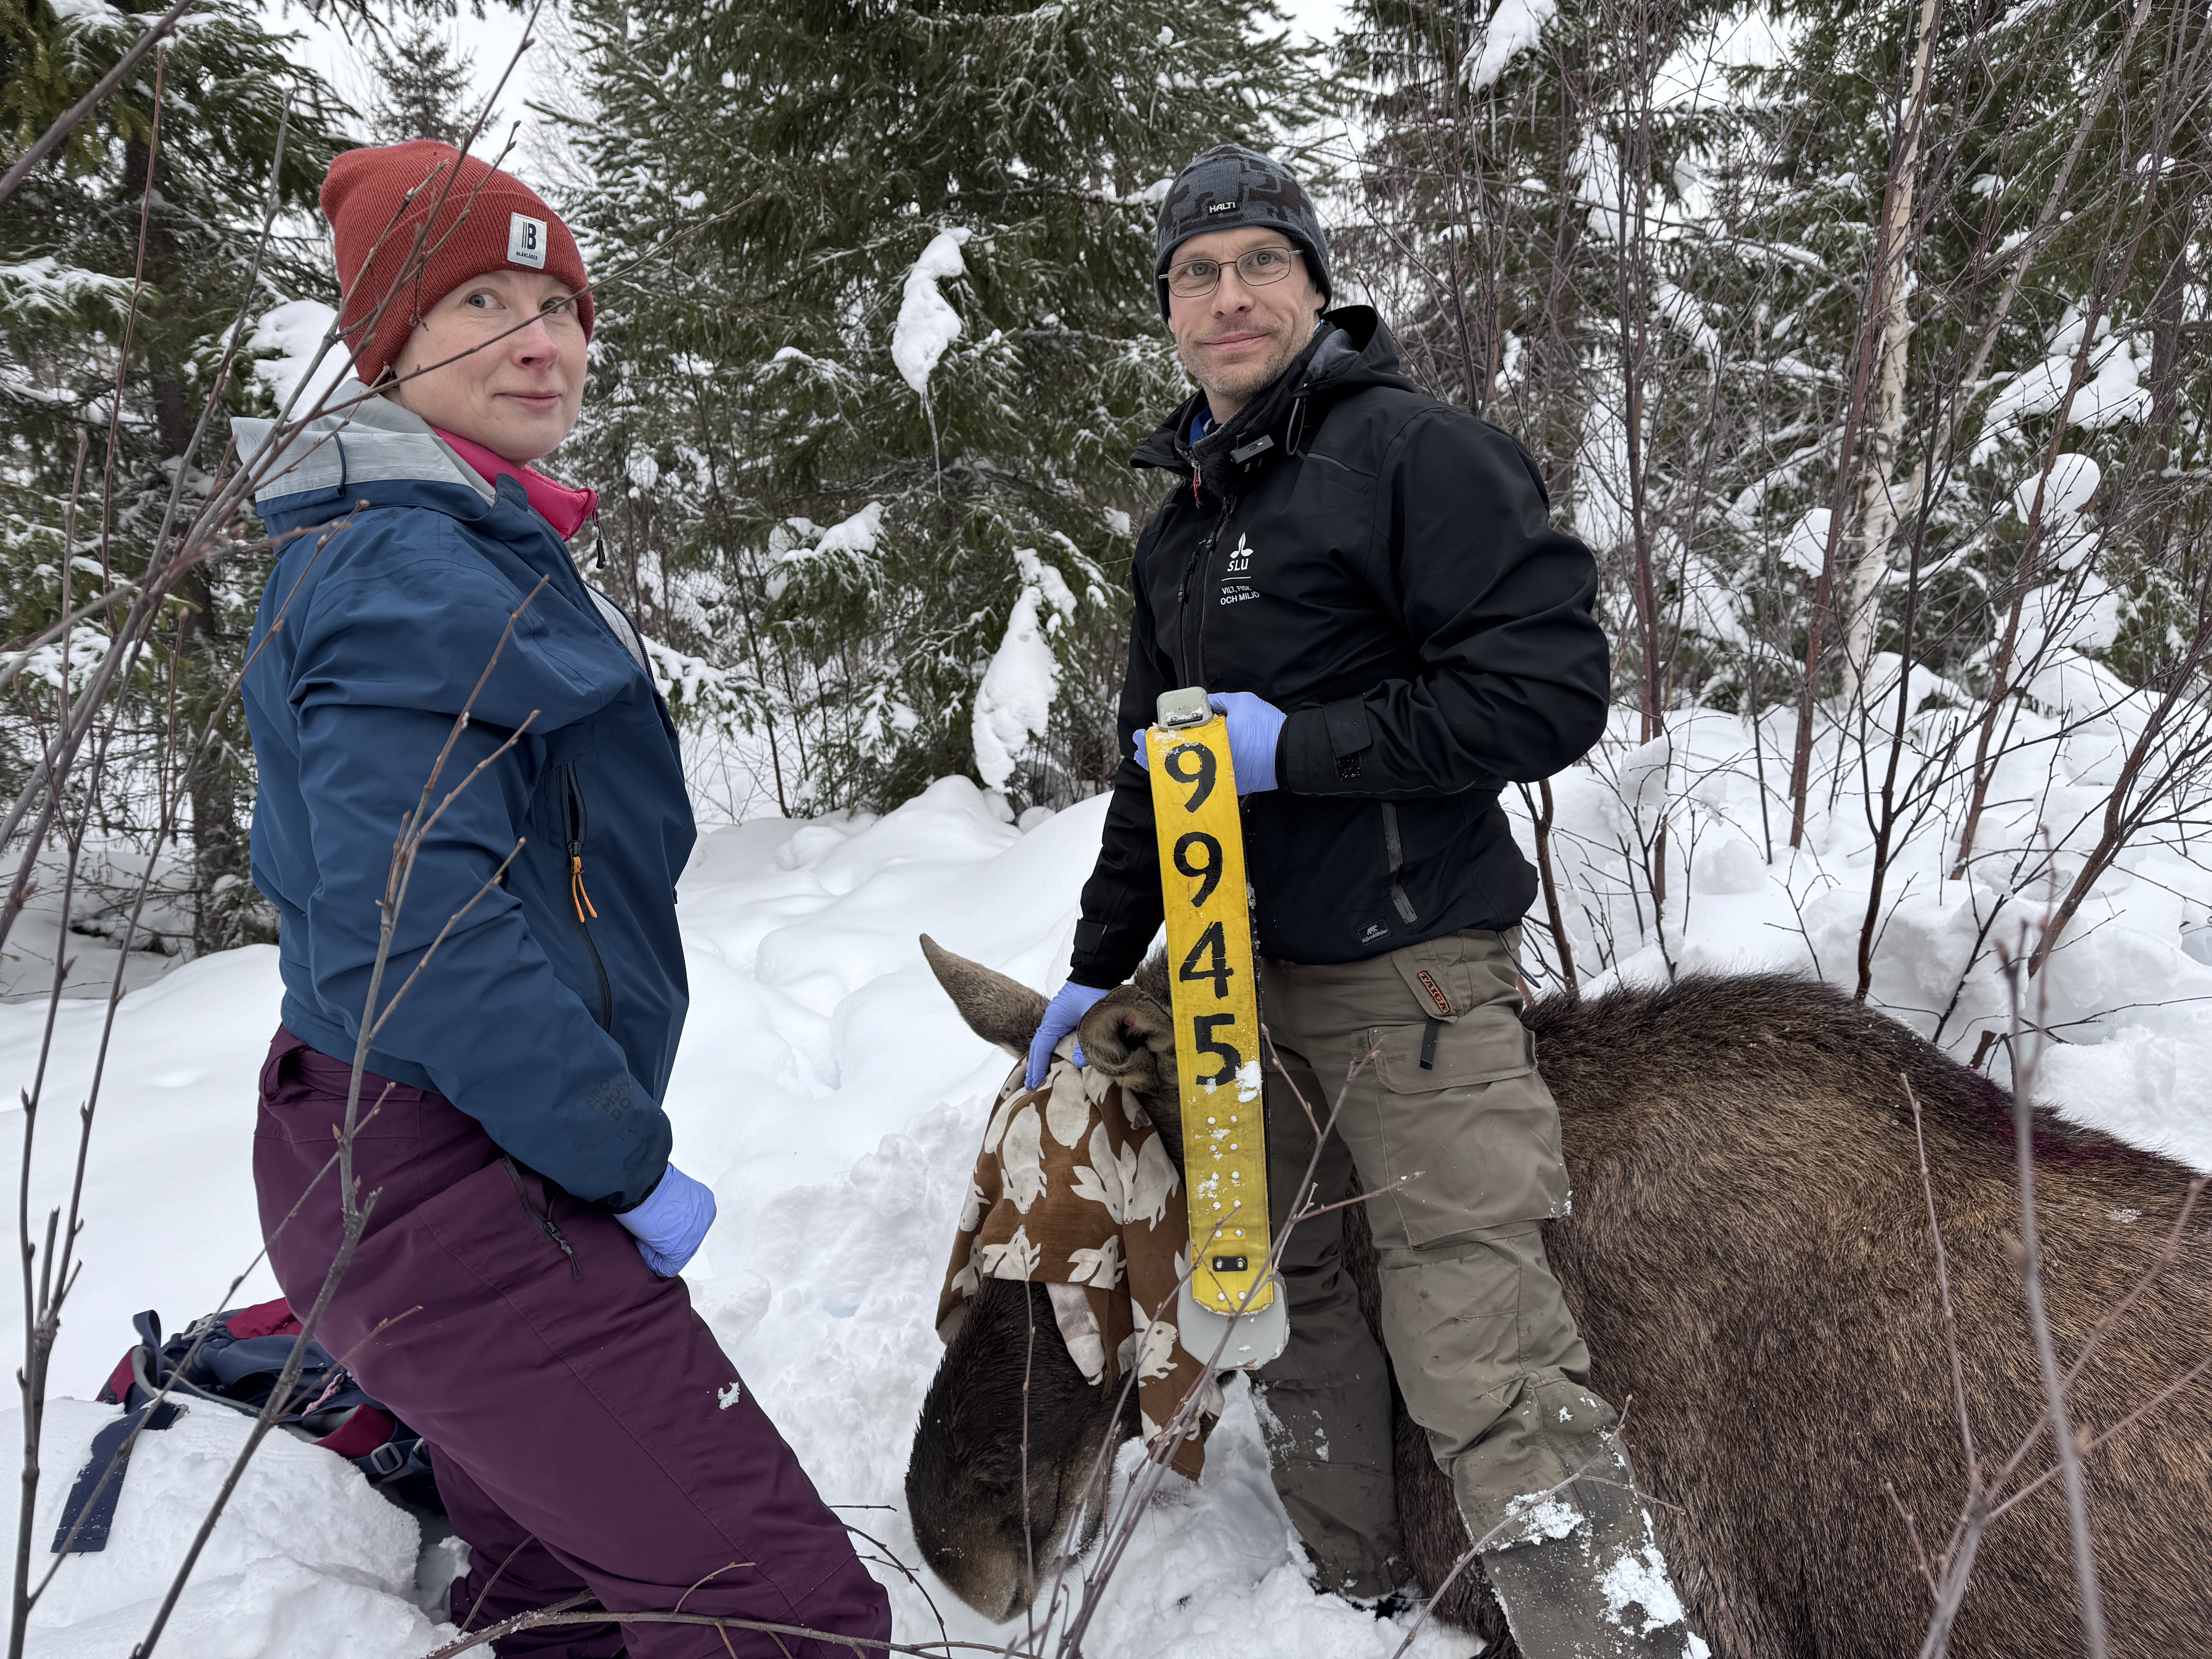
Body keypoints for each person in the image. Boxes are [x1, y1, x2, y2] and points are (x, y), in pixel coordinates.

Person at [1024, 145, 1700, 1657]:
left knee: (1483, 1352)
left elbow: (1546, 694)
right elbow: (1156, 776)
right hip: (1229, 992)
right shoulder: (1184, 527)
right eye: (1196, 274)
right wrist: (1091, 966)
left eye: (1261, 262)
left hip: (1416, 976)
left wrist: (1300, 753)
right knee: (1296, 1303)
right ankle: (1352, 1608)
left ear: (1317, 286)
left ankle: (1612, 1638)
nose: (1229, 294)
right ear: (1171, 315)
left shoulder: (1413, 455)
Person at [237, 142, 890, 1658]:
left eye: (560, 302)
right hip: (452, 1175)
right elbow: (424, 936)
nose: (543, 340)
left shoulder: (466, 545)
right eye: (481, 300)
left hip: (430, 1163)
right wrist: (617, 1157)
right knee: (786, 1621)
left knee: (569, 1601)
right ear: (391, 344)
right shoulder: (413, 568)